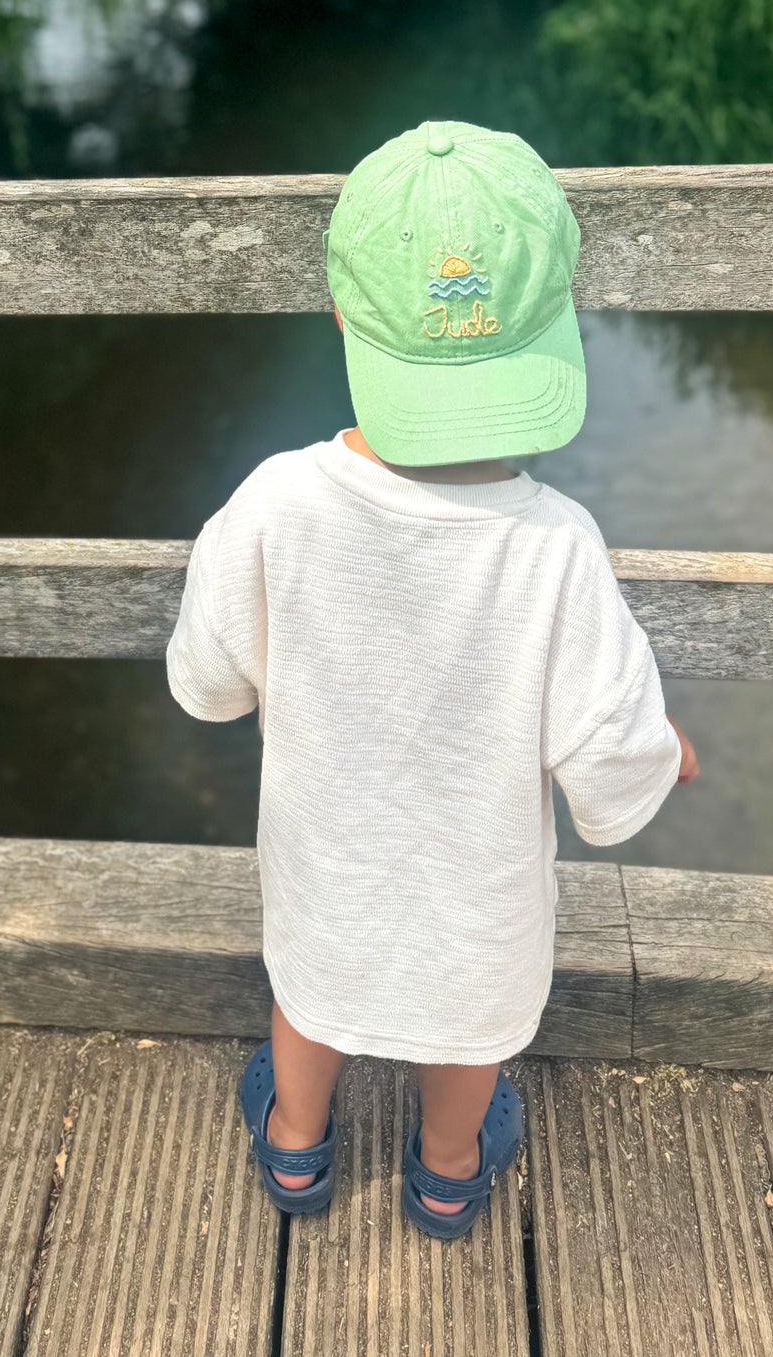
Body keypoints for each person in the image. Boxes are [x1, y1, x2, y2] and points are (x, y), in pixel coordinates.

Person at [166, 120, 699, 1240]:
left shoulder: (273, 501)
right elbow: (609, 766)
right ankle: (447, 1172)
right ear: (552, 329)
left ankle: (296, 1151)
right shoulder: (556, 544)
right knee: (471, 1029)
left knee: (306, 997)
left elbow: (206, 680)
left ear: (344, 318)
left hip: (323, 870)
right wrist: (670, 750)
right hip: (481, 899)